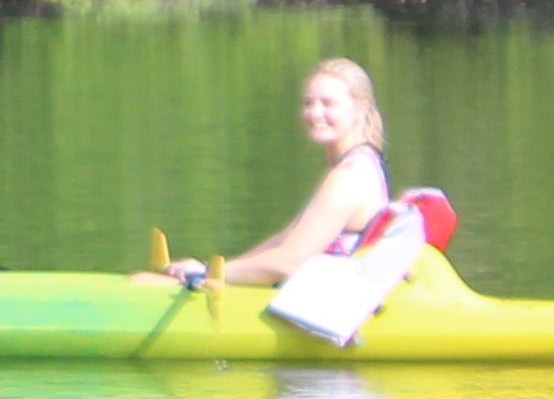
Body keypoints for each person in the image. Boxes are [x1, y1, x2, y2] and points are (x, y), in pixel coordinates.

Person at [135, 57, 390, 290]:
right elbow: (286, 240)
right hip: (307, 298)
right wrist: (219, 271)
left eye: (327, 103)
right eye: (308, 103)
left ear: (360, 109)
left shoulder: (349, 177)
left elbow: (289, 261)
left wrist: (206, 273)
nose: (314, 113)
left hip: (320, 309)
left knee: (140, 284)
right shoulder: (361, 165)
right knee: (144, 282)